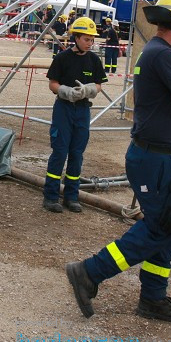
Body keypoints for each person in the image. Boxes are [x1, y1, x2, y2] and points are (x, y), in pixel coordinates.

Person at [66, 0, 171, 323]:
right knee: (159, 227)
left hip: (161, 155)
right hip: (154, 157)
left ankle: (153, 297)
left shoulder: (156, 52)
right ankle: (89, 272)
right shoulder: (164, 55)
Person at [42, 17, 108, 213]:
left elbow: (98, 84)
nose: (90, 43)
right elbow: (52, 83)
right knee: (60, 152)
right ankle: (51, 196)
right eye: (87, 39)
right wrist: (66, 91)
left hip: (82, 110)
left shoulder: (94, 60)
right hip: (64, 109)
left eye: (92, 39)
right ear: (76, 38)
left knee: (77, 154)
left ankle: (71, 196)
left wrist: (88, 90)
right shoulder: (62, 58)